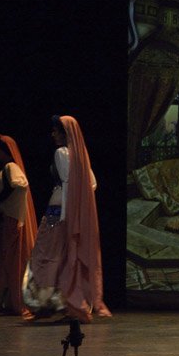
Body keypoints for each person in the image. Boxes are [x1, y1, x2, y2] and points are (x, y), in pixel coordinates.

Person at [23, 115, 111, 323]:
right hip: (68, 213)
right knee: (64, 259)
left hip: (59, 213)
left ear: (66, 134)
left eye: (56, 131)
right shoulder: (80, 157)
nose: (53, 134)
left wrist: (66, 214)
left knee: (47, 256)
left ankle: (47, 304)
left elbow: (67, 182)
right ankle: (65, 304)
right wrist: (78, 209)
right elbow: (92, 184)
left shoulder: (61, 153)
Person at [0, 134, 36, 319]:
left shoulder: (11, 167)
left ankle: (4, 301)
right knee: (5, 260)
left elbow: (20, 184)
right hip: (9, 218)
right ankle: (6, 301)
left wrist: (3, 203)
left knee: (7, 261)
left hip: (11, 219)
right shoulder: (7, 168)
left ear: (4, 151)